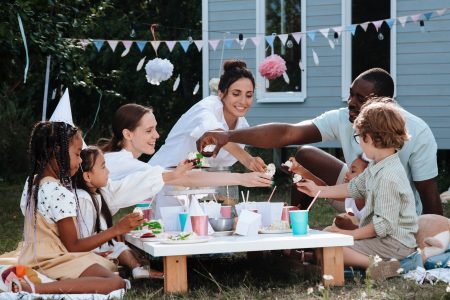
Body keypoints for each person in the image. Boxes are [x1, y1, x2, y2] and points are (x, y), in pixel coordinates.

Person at [196, 68, 442, 215]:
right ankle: (296, 235)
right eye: (350, 94)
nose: (351, 102)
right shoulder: (344, 118)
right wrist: (228, 135)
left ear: (382, 102)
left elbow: (429, 196)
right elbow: (287, 133)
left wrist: (435, 237)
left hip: (394, 209)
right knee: (305, 154)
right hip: (357, 193)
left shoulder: (417, 132)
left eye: (360, 98)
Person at [296, 100, 418, 278]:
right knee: (325, 241)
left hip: (394, 244)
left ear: (368, 137)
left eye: (358, 137)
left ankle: (385, 268)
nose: (359, 143)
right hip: (386, 240)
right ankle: (374, 265)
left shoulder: (388, 177)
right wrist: (317, 191)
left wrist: (348, 234)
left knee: (328, 246)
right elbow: (354, 187)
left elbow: (381, 226)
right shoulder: (379, 166)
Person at [17, 121, 141, 294]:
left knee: (106, 265)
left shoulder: (33, 182)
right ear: (57, 152)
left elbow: (51, 233)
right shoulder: (60, 192)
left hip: (32, 255)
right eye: (77, 154)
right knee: (115, 282)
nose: (80, 160)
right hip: (51, 260)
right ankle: (37, 288)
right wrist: (117, 229)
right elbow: (73, 246)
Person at [98, 103, 273, 218]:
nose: (157, 135)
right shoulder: (122, 162)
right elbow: (184, 178)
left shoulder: (119, 159)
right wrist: (243, 179)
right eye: (149, 130)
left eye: (156, 129)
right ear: (128, 134)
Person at [149, 60, 266, 172]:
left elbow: (217, 167)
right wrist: (248, 160)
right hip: (161, 176)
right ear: (221, 93)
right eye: (236, 94)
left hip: (196, 186)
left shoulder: (242, 126)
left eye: (249, 95)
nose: (243, 101)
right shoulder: (207, 107)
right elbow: (216, 134)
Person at [74, 146, 165, 280]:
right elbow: (83, 239)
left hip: (99, 247)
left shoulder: (97, 195)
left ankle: (137, 268)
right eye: (103, 167)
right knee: (118, 248)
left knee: (120, 247)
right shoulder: (83, 199)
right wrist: (117, 230)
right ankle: (132, 268)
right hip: (87, 252)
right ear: (87, 176)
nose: (108, 172)